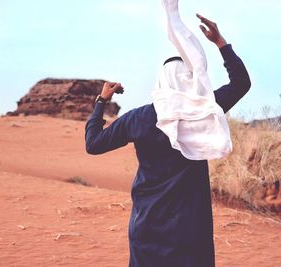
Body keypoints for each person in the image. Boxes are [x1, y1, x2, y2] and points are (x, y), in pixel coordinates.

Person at [85, 4, 251, 267]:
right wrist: (220, 42)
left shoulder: (139, 118)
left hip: (147, 224)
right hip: (190, 228)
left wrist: (101, 101)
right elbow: (241, 83)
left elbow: (93, 144)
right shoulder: (205, 109)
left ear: (161, 81)